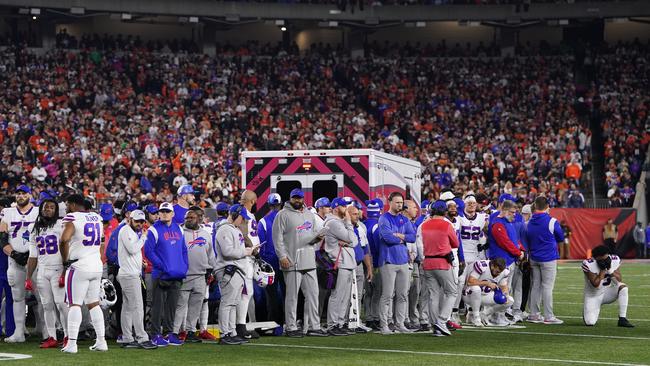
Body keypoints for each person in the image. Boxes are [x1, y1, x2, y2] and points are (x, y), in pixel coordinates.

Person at [272, 188, 326, 338]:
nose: (297, 200)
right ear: (290, 198)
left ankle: (313, 326)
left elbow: (312, 232)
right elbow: (277, 239)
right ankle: (290, 326)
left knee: (313, 295)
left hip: (309, 260)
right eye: (295, 198)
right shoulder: (282, 215)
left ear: (303, 198)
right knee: (292, 296)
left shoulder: (309, 213)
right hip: (292, 261)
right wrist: (282, 256)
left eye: (300, 198)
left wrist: (317, 238)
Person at [60, 194, 107, 353]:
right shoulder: (96, 217)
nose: (66, 207)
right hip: (96, 265)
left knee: (74, 304)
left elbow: (64, 240)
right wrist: (98, 258)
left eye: (67, 204)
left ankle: (72, 344)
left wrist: (64, 260)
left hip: (79, 265)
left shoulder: (73, 218)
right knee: (94, 304)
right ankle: (101, 341)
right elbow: (101, 241)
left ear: (73, 204)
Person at [144, 202, 189, 347]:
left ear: (173, 213)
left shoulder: (179, 229)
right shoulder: (153, 230)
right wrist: (162, 266)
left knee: (172, 306)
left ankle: (169, 333)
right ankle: (155, 334)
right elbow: (148, 252)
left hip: (176, 274)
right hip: (160, 274)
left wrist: (184, 266)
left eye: (167, 211)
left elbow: (183, 250)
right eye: (162, 211)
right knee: (157, 306)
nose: (164, 214)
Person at [25, 197, 67, 348]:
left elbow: (67, 248)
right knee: (46, 305)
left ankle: (68, 335)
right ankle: (52, 336)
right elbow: (32, 255)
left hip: (58, 269)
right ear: (41, 209)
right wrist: (28, 277)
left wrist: (65, 270)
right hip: (42, 271)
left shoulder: (61, 225)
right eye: (45, 207)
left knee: (61, 304)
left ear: (56, 210)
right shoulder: (34, 228)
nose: (48, 209)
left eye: (51, 207)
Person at [214, 204, 258, 345]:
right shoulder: (224, 229)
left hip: (237, 269)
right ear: (234, 215)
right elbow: (227, 252)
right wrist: (246, 252)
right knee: (227, 303)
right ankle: (224, 333)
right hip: (228, 270)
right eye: (241, 217)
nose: (242, 221)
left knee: (233, 304)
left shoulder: (235, 230)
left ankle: (232, 332)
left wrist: (248, 250)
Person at [1, 185, 39, 343]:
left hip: (35, 260)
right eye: (18, 193)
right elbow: (2, 238)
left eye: (24, 193)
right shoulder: (8, 212)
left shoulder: (38, 211)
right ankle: (18, 333)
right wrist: (14, 253)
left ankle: (46, 331)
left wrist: (32, 253)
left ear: (30, 195)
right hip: (15, 260)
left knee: (43, 297)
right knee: (17, 297)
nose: (21, 196)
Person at [172, 207, 216, 344]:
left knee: (196, 306)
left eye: (191, 217)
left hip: (201, 275)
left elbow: (211, 255)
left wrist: (212, 270)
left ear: (198, 218)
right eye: (187, 218)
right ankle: (176, 331)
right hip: (184, 275)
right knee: (180, 305)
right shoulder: (179, 232)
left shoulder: (205, 234)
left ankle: (191, 331)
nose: (188, 220)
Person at [416, 200, 459, 336]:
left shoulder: (424, 225)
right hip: (442, 262)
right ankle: (441, 321)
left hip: (427, 263)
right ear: (444, 211)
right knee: (452, 292)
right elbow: (455, 243)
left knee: (433, 295)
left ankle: (435, 325)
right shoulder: (447, 225)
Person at [116, 209, 157, 349]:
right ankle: (141, 337)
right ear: (130, 220)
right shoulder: (126, 230)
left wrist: (140, 263)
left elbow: (132, 253)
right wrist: (144, 238)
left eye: (142, 221)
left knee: (127, 307)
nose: (140, 224)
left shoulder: (132, 232)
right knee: (138, 306)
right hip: (129, 275)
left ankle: (127, 337)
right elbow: (133, 249)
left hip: (130, 273)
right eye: (137, 221)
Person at [377, 192, 416, 335]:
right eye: (397, 202)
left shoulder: (404, 219)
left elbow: (413, 237)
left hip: (403, 261)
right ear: (390, 202)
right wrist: (403, 239)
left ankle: (399, 324)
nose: (400, 205)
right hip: (388, 260)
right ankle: (384, 325)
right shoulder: (384, 218)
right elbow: (387, 238)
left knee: (402, 295)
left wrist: (401, 236)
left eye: (401, 203)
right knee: (387, 295)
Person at [526, 196, 564, 325]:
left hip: (534, 257)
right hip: (548, 257)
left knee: (536, 286)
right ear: (547, 206)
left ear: (535, 206)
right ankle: (548, 316)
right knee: (547, 287)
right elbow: (560, 237)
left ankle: (534, 314)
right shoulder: (552, 221)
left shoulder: (530, 221)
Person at [487, 199, 524, 326]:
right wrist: (518, 252)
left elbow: (513, 240)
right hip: (501, 262)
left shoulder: (507, 223)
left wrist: (520, 249)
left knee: (507, 289)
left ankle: (501, 314)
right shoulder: (498, 224)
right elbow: (505, 242)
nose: (515, 215)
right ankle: (496, 316)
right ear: (505, 210)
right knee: (501, 289)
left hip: (508, 260)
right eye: (513, 212)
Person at [324, 199, 358, 335]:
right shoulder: (333, 223)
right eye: (344, 206)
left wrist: (348, 241)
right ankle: (333, 324)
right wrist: (349, 223)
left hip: (347, 262)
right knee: (337, 295)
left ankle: (340, 322)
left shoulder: (339, 223)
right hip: (339, 262)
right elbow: (352, 239)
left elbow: (354, 242)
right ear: (336, 208)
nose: (346, 208)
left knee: (344, 296)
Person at [453, 193, 488, 323]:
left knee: (474, 285)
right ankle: (454, 311)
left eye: (473, 203)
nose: (472, 205)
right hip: (462, 255)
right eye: (469, 203)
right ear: (464, 205)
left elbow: (490, 226)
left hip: (476, 256)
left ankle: (472, 312)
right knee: (460, 284)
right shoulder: (459, 218)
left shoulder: (482, 217)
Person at [582, 245, 634, 328]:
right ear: (595, 258)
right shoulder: (588, 264)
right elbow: (596, 285)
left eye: (606, 258)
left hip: (607, 292)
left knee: (623, 287)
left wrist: (609, 269)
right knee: (590, 322)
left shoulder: (614, 259)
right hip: (593, 296)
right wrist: (602, 270)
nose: (605, 261)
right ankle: (592, 307)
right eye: (602, 260)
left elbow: (618, 281)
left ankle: (622, 318)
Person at [258, 193, 284, 330]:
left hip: (270, 263)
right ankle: (287, 322)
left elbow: (261, 244)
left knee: (271, 296)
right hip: (285, 261)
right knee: (288, 294)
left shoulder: (263, 221)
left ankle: (272, 323)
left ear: (268, 205)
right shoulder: (286, 218)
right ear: (280, 204)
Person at [236, 190, 260, 339]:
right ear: (252, 201)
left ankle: (242, 325)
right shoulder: (242, 212)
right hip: (244, 257)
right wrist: (253, 248)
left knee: (247, 293)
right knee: (245, 292)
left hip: (249, 257)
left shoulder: (249, 213)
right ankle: (240, 326)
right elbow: (243, 233)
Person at [463, 258, 512, 327]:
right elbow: (470, 282)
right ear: (492, 266)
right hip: (469, 295)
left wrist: (505, 294)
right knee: (476, 289)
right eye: (497, 271)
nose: (498, 274)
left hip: (485, 295)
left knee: (510, 300)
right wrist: (486, 283)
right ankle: (476, 317)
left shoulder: (504, 271)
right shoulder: (483, 266)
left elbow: (503, 286)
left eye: (500, 272)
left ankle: (484, 314)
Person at [350, 200, 373, 332]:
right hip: (346, 265)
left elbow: (365, 249)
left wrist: (369, 268)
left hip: (358, 265)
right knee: (345, 295)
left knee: (358, 294)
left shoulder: (361, 227)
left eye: (358, 211)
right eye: (354, 212)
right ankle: (343, 322)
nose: (358, 214)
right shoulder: (342, 226)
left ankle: (356, 321)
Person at [363, 199, 383, 330]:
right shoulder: (378, 225)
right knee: (378, 292)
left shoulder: (362, 224)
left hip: (364, 262)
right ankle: (375, 318)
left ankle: (368, 317)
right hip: (375, 263)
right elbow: (378, 247)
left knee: (367, 292)